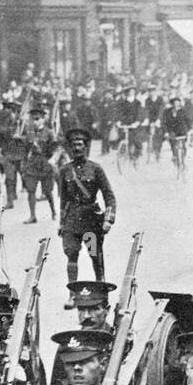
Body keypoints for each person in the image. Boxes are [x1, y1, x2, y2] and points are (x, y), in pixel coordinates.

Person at [57, 128, 116, 302]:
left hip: (91, 221)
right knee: (71, 254)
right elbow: (63, 198)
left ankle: (101, 289)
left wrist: (108, 219)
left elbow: (109, 195)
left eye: (80, 145)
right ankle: (72, 294)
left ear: (86, 147)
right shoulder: (65, 170)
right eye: (74, 145)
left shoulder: (96, 169)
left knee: (95, 255)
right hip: (72, 221)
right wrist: (61, 223)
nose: (77, 148)